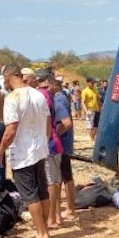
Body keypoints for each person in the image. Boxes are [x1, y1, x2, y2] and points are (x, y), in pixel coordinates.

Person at [0, 65, 52, 238]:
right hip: (40, 149)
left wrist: (0, 151)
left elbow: (11, 130)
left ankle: (41, 233)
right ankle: (45, 229)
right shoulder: (38, 95)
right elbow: (48, 122)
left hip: (23, 151)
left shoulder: (12, 98)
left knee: (30, 194)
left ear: (7, 78)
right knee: (42, 190)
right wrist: (44, 139)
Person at [32, 71, 65, 229]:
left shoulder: (41, 95)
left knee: (51, 182)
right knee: (56, 181)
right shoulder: (49, 96)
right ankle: (57, 215)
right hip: (55, 143)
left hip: (49, 144)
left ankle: (51, 217)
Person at [49, 77, 77, 221]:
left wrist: (54, 135)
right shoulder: (63, 97)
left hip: (62, 144)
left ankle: (69, 209)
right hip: (66, 143)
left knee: (63, 177)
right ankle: (69, 208)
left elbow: (66, 123)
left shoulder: (58, 100)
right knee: (66, 176)